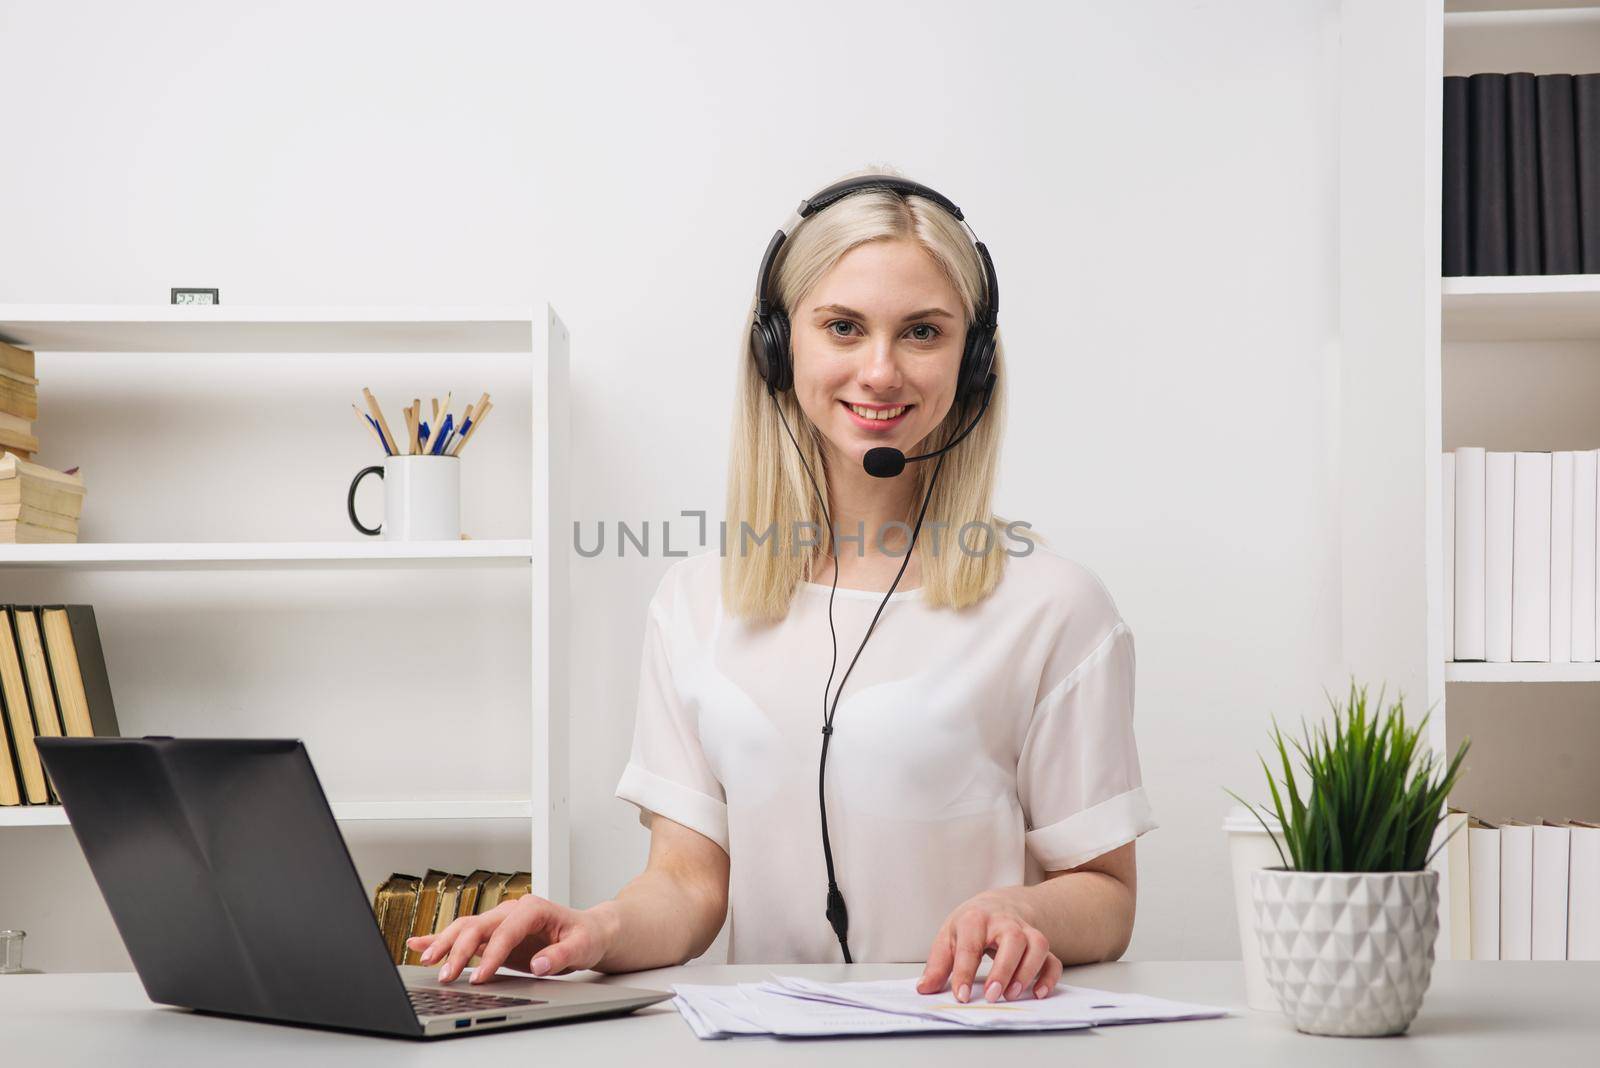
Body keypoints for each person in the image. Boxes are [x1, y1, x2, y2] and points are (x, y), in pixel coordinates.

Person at [409, 167, 1157, 1006]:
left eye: (922, 332)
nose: (881, 370)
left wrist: (1020, 909)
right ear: (778, 347)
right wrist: (599, 930)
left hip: (967, 1039)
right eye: (842, 326)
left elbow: (1107, 896)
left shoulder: (1055, 608)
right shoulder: (694, 603)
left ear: (974, 360)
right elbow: (690, 886)